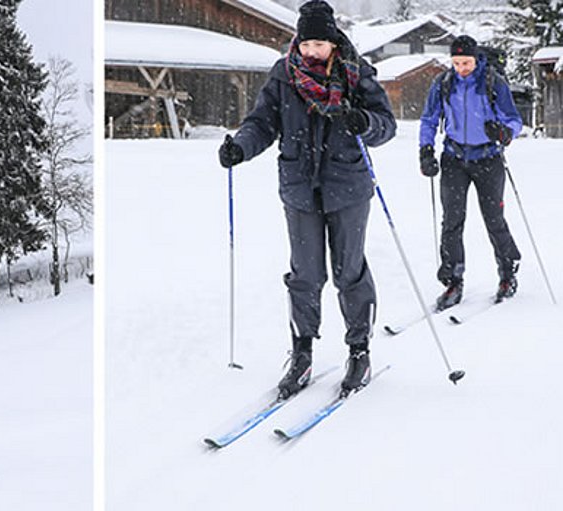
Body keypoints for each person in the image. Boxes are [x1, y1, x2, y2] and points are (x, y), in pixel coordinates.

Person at [218, 0, 396, 397]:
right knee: (305, 275)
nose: (311, 52)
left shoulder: (357, 74)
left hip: (348, 185)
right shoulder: (284, 75)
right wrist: (241, 148)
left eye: (319, 44)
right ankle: (302, 354)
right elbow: (262, 122)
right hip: (300, 187)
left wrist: (364, 122)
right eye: (306, 44)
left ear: (333, 42)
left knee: (349, 272)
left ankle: (359, 350)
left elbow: (386, 126)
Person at [418, 35, 522, 310]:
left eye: (466, 62)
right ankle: (453, 281)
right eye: (456, 62)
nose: (461, 68)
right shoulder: (443, 83)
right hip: (454, 158)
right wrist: (425, 149)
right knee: (451, 221)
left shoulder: (492, 82)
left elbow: (514, 120)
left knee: (494, 218)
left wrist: (503, 132)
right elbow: (429, 119)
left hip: (488, 158)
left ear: (476, 59)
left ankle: (507, 272)